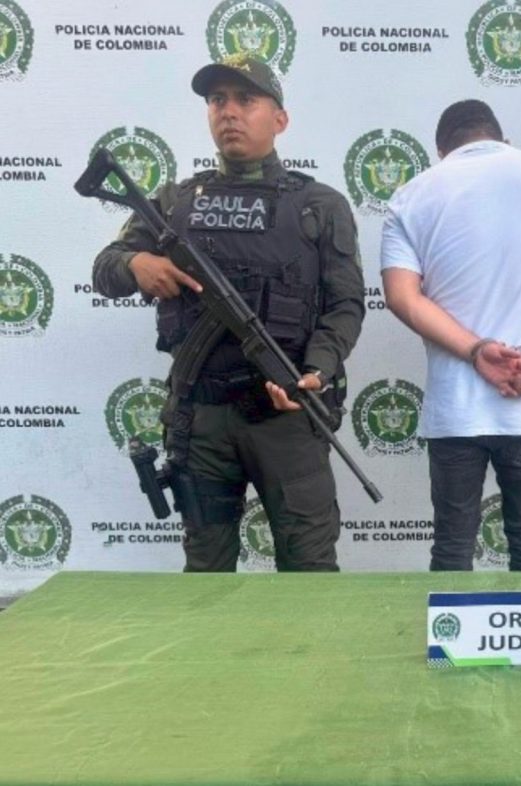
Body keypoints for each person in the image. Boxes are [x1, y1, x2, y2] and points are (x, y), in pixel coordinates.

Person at [92, 55, 365, 572]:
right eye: (218, 101)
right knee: (206, 571)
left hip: (286, 415)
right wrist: (137, 263)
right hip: (202, 418)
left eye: (246, 99)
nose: (229, 112)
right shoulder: (174, 201)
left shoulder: (319, 206)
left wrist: (318, 370)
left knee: (309, 568)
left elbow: (346, 304)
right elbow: (105, 270)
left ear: (279, 119)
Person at [381, 100, 521, 571]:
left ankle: (450, 647)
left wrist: (477, 350)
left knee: (451, 545)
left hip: (454, 407)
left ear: (442, 149)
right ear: (503, 139)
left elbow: (403, 296)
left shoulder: (411, 196)